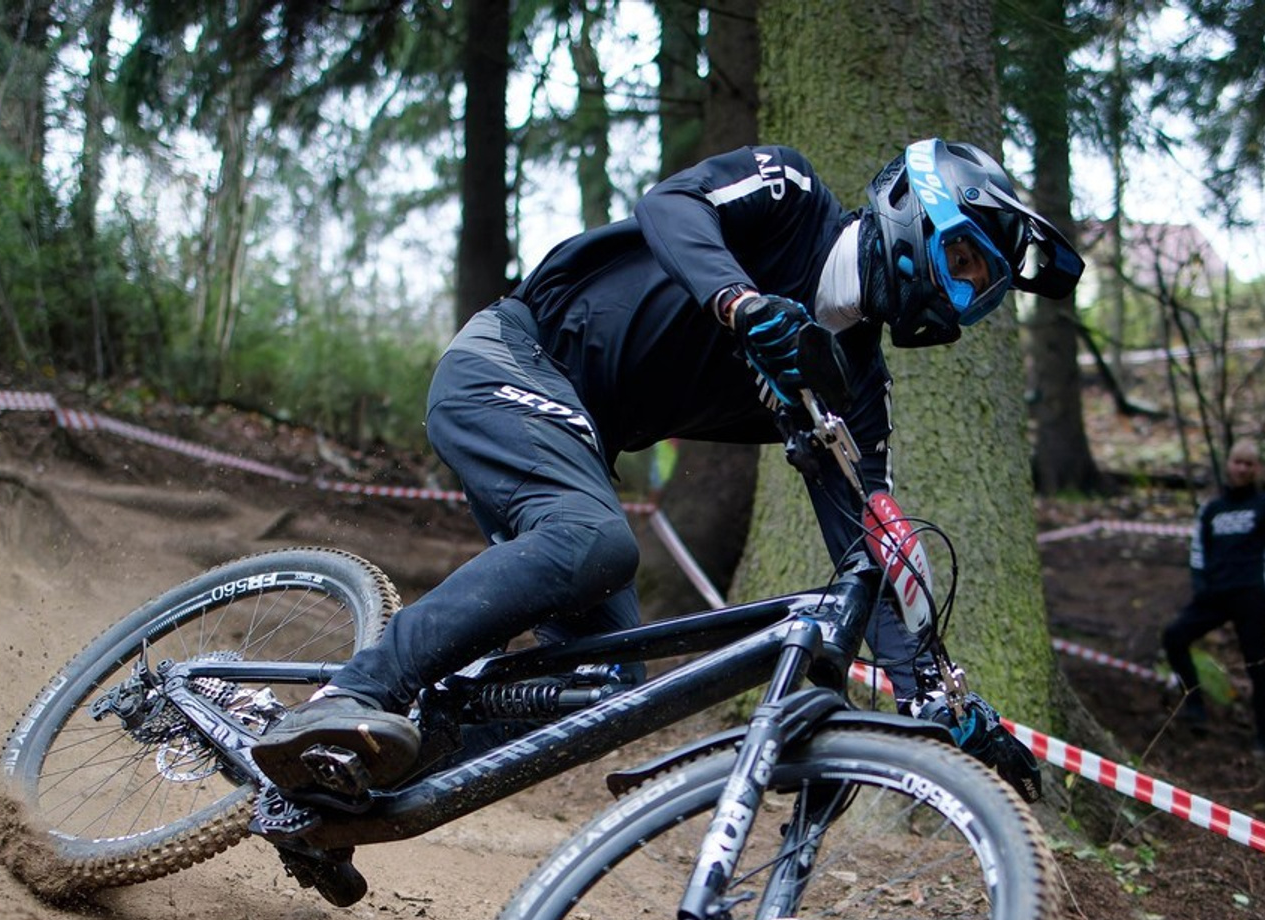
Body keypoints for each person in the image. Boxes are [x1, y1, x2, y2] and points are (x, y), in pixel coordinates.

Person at [253, 139, 1084, 804]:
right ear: (917, 213)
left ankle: (339, 793)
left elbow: (872, 541)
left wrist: (939, 702)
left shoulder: (852, 385)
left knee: (602, 689)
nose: (969, 297)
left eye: (986, 290)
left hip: (577, 438)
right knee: (591, 541)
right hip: (514, 357)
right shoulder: (792, 195)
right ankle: (351, 694)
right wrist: (740, 302)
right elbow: (671, 204)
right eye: (970, 263)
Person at [1162, 437, 1265, 755]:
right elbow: (1198, 550)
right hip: (1213, 594)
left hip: (1252, 596)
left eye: (1249, 463)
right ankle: (1194, 706)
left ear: (1257, 468)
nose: (1243, 468)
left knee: (1259, 666)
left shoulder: (1262, 505)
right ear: (1229, 464)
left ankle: (1263, 738)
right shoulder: (1211, 509)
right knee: (1174, 637)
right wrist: (1200, 585)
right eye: (1238, 462)